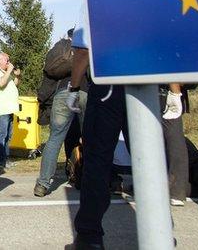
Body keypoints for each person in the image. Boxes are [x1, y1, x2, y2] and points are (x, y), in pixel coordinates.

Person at [68, 20, 131, 250]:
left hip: (109, 84)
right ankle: (160, 229)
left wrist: (74, 87)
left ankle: (89, 235)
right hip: (146, 84)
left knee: (96, 160)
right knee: (150, 160)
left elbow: (83, 49)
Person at [36, 29, 86, 197]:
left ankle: (42, 184)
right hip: (86, 93)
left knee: (55, 138)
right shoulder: (89, 47)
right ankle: (93, 180)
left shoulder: (63, 50)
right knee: (91, 137)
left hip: (63, 93)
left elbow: (50, 74)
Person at [0, 52, 20, 171]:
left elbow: (15, 85)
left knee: (8, 135)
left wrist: (17, 76)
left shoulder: (5, 72)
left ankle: (5, 159)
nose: (9, 62)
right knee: (2, 134)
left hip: (10, 108)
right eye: (7, 60)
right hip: (2, 108)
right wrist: (8, 71)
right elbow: (1, 84)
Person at [161, 83, 190, 206]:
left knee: (173, 138)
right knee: (172, 137)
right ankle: (176, 190)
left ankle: (175, 189)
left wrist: (174, 93)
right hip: (168, 91)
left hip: (163, 91)